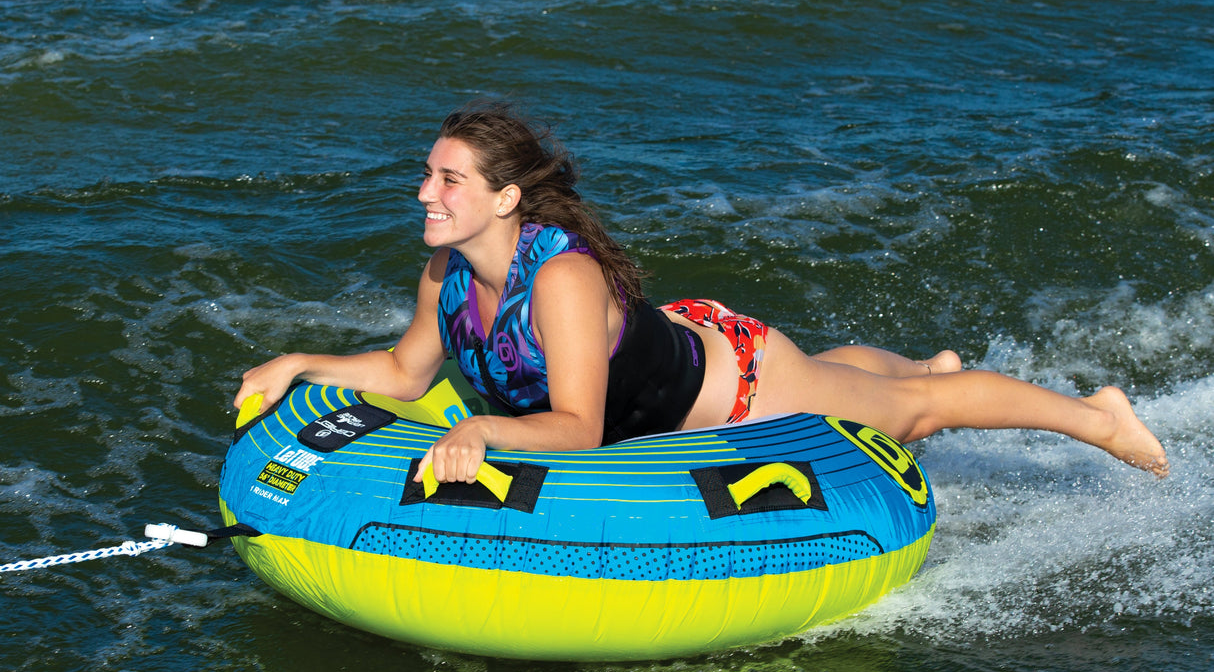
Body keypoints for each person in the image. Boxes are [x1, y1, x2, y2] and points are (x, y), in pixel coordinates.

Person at [235, 100, 1170, 483]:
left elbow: (577, 429)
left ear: (505, 199)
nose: (426, 193)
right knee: (866, 375)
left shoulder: (558, 279)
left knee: (913, 414)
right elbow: (404, 370)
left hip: (739, 388)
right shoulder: (446, 271)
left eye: (448, 181)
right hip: (676, 353)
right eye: (428, 176)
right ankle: (913, 360)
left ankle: (1098, 417)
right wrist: (300, 363)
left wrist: (479, 429)